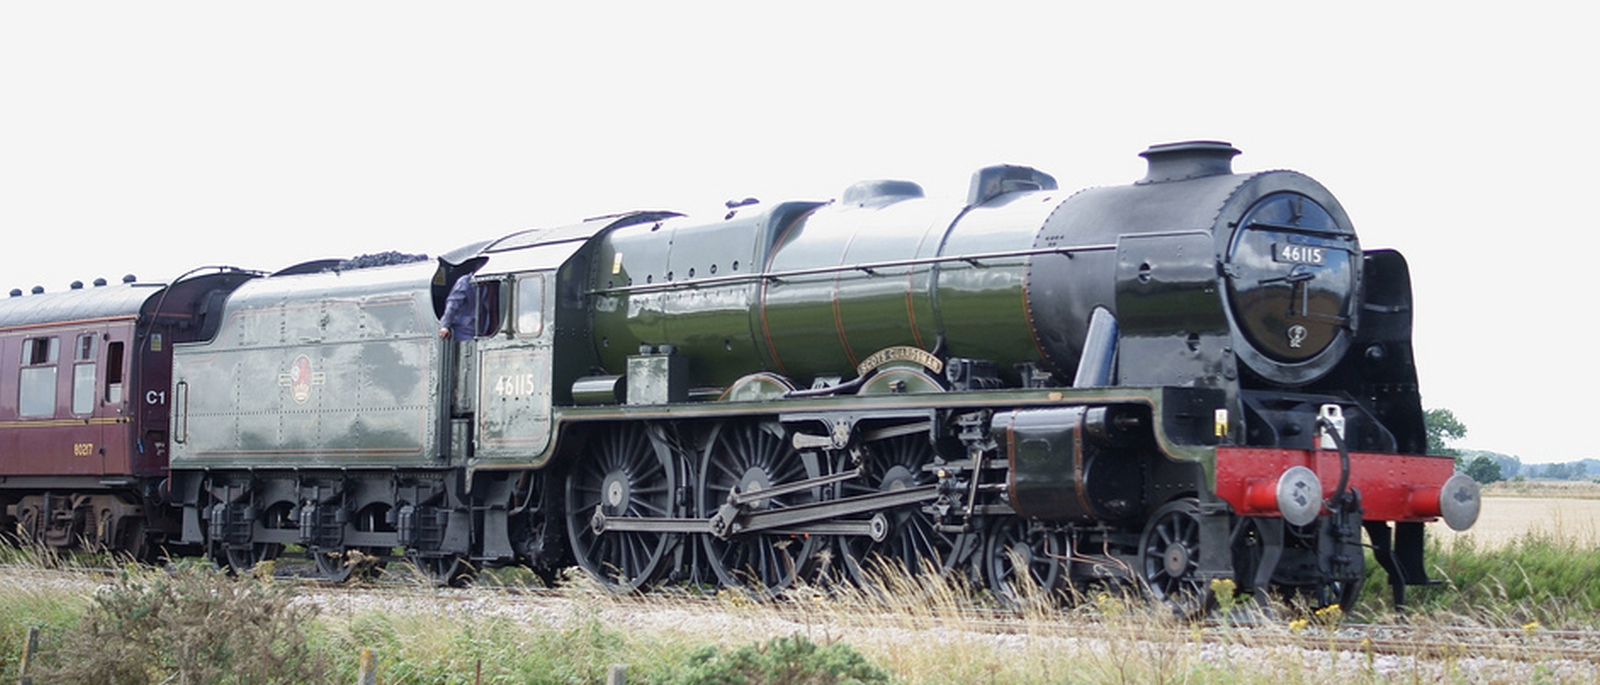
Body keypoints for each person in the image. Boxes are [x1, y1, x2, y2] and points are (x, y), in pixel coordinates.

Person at [438, 274, 477, 340]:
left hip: (478, 329)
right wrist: (445, 325)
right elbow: (453, 304)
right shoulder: (465, 282)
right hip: (463, 330)